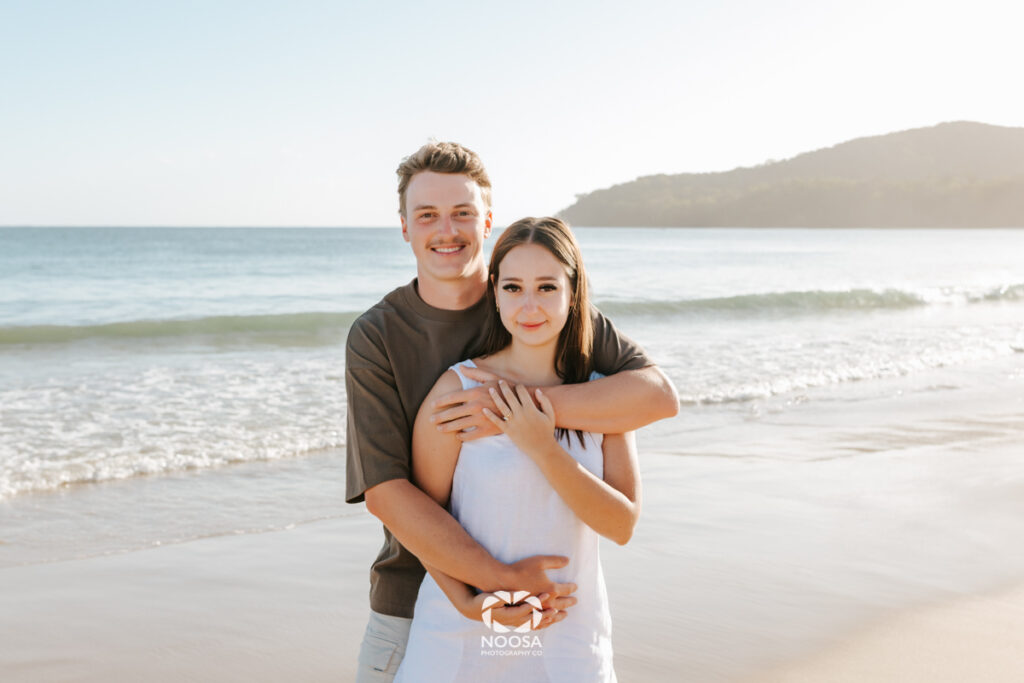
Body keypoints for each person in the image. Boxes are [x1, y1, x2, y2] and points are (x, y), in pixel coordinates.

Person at [346, 141, 678, 682]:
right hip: (418, 602)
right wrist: (489, 588)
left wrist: (520, 411)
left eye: (462, 212)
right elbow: (387, 493)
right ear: (404, 226)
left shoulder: (537, 297)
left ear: (487, 222)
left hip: (560, 615)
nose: (446, 230)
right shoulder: (378, 335)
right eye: (426, 214)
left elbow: (657, 396)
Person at [395, 216, 641, 681]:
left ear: (574, 292)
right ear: (494, 292)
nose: (529, 306)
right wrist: (471, 603)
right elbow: (420, 522)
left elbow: (621, 525)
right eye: (513, 288)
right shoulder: (459, 390)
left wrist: (542, 447)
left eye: (547, 287)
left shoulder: (603, 397)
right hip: (461, 640)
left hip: (569, 639)